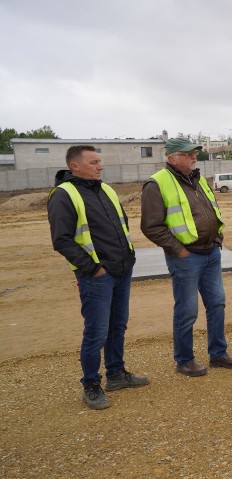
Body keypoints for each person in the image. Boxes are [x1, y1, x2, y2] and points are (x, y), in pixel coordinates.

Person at [48, 145, 148, 410]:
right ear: (75, 166)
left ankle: (116, 374)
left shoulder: (105, 189)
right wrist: (93, 269)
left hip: (121, 270)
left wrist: (129, 259)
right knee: (96, 332)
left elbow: (121, 225)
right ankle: (91, 384)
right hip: (97, 277)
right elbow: (62, 240)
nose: (100, 166)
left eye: (99, 161)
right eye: (94, 162)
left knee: (117, 326)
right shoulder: (63, 195)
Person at [141, 138, 232, 377]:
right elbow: (151, 226)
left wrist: (218, 237)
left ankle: (218, 353)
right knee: (187, 310)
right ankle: (185, 360)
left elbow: (212, 211)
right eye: (188, 154)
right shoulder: (156, 184)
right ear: (171, 158)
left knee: (217, 303)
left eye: (194, 153)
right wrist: (179, 250)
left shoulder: (198, 179)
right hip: (186, 257)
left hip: (210, 252)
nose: (193, 157)